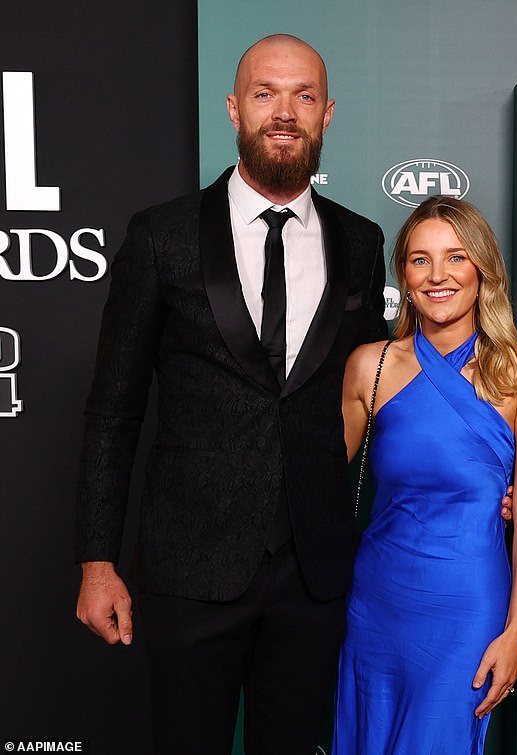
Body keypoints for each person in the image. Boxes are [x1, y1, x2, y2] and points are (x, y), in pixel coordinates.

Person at [74, 34, 388, 755]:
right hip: (190, 569)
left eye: (304, 96)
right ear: (233, 108)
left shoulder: (362, 243)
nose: (285, 112)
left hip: (313, 571)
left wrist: (475, 480)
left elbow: (378, 391)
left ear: (328, 113)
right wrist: (97, 563)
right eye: (265, 93)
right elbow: (113, 409)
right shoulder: (162, 236)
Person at [332, 196, 517, 754]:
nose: (438, 276)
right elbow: (318, 483)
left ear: (482, 269)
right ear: (403, 276)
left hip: (467, 604)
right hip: (374, 602)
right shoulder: (371, 365)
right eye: (419, 260)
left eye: (456, 257)